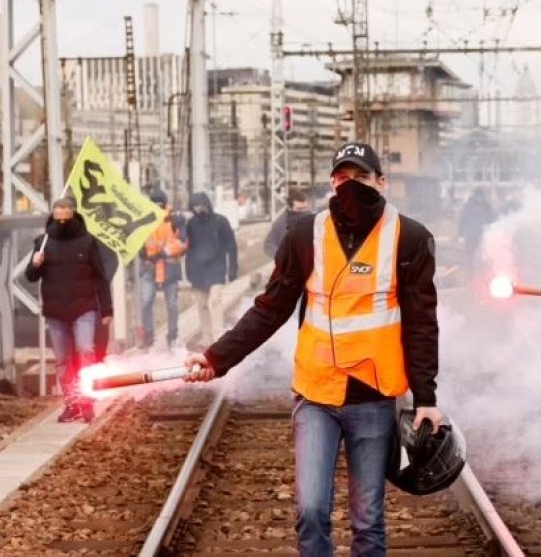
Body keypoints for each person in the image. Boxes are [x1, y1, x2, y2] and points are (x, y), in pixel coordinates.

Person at [183, 141, 442, 556]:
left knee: (368, 519)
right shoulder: (305, 235)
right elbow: (270, 310)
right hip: (316, 394)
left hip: (373, 398)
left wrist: (426, 397)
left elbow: (422, 323)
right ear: (331, 183)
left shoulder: (409, 238)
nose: (350, 185)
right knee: (310, 509)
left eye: (360, 177)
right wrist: (217, 357)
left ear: (382, 182)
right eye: (342, 177)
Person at [25, 197, 113, 423]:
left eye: (66, 214)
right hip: (56, 312)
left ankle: (86, 400)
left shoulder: (87, 241)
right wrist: (35, 263)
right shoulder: (43, 242)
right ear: (53, 215)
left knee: (85, 350)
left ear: (73, 214)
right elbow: (31, 276)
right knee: (63, 361)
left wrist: (106, 310)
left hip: (84, 307)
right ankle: (72, 404)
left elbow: (101, 278)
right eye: (58, 215)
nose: (62, 221)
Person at [184, 192, 238, 348]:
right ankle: (206, 336)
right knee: (201, 304)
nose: (198, 208)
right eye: (195, 206)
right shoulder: (191, 224)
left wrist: (233, 268)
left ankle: (218, 335)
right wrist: (188, 271)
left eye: (200, 205)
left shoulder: (221, 221)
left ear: (207, 204)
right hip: (197, 270)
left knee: (215, 300)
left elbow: (231, 246)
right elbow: (188, 247)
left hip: (216, 267)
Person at [139, 189, 187, 350]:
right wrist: (143, 254)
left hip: (169, 268)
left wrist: (161, 253)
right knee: (146, 302)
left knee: (172, 304)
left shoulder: (176, 220)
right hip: (149, 267)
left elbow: (182, 243)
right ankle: (149, 335)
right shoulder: (144, 220)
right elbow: (138, 241)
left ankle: (172, 335)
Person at [263, 188, 310, 259]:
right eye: (299, 209)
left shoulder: (313, 218)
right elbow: (269, 244)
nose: (303, 212)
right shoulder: (281, 223)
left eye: (305, 208)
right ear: (290, 207)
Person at [458, 188, 495, 272]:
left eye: (480, 196)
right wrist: (460, 235)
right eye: (477, 196)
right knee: (471, 255)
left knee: (483, 254)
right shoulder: (469, 206)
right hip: (471, 234)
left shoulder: (486, 206)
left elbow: (492, 220)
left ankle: (483, 272)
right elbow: (462, 220)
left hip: (481, 234)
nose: (479, 198)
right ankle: (471, 273)